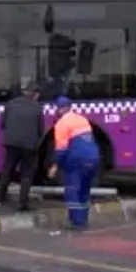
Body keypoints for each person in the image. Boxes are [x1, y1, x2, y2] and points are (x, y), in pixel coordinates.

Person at [48, 96, 100, 229]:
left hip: (77, 160)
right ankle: (83, 220)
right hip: (93, 158)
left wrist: (55, 166)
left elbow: (61, 149)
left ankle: (76, 222)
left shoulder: (61, 124)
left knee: (72, 190)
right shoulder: (82, 120)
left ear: (59, 109)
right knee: (84, 190)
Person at [0, 86, 45, 211]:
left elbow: (3, 124)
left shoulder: (10, 104)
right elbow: (41, 130)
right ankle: (22, 202)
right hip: (29, 145)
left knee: (8, 168)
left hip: (11, 142)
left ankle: (1, 197)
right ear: (34, 95)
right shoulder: (36, 108)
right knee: (27, 173)